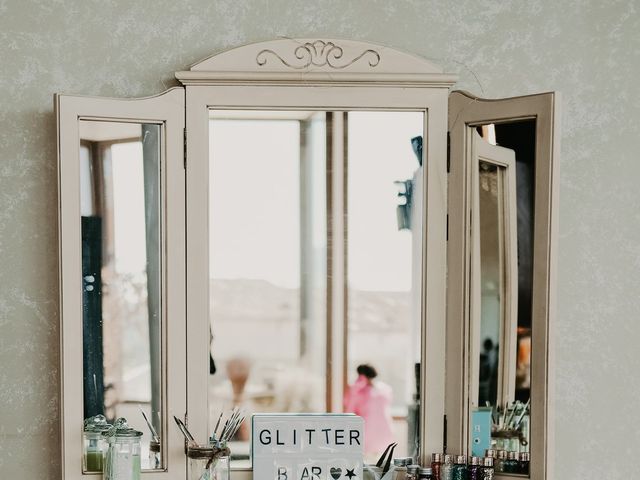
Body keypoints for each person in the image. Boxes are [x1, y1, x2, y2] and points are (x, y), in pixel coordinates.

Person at [344, 364, 394, 457]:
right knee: (381, 457)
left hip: (368, 430)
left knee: (367, 458)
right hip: (384, 428)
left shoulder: (359, 391)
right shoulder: (385, 389)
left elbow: (349, 409)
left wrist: (355, 388)